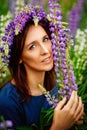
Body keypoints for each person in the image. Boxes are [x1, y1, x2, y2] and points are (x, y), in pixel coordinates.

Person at [0, 2, 84, 130]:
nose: (45, 50)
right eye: (32, 46)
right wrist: (58, 127)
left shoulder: (57, 85)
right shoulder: (7, 102)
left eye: (45, 39)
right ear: (19, 58)